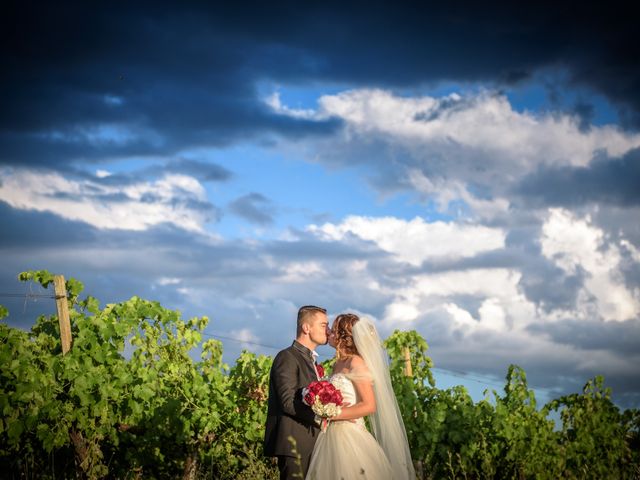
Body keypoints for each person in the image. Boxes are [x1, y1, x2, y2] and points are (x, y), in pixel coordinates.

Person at [306, 313, 415, 480]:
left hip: (350, 436)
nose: (329, 333)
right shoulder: (337, 364)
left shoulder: (355, 362)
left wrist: (333, 413)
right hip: (329, 434)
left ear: (344, 338)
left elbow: (369, 405)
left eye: (334, 331)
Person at [264, 305, 329, 480]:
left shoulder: (310, 360)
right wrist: (320, 418)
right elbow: (288, 401)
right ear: (306, 328)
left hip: (311, 443)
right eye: (324, 325)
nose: (328, 330)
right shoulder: (287, 356)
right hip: (295, 445)